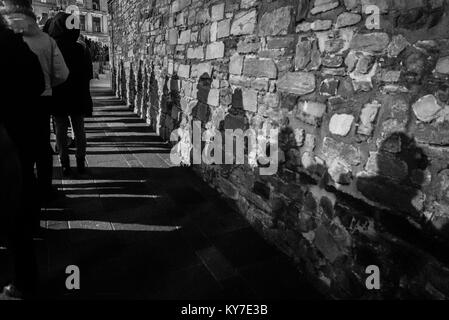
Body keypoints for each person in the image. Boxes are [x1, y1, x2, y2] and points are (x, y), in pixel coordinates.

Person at [2, 0, 69, 200]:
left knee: (14, 148)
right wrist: (47, 84)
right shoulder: (45, 39)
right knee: (41, 146)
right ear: (30, 7)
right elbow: (62, 73)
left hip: (8, 103)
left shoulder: (4, 35)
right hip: (41, 100)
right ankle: (44, 189)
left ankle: (21, 191)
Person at [0, 10, 45, 299]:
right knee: (20, 205)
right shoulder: (18, 46)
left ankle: (22, 283)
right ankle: (23, 280)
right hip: (23, 132)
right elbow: (40, 83)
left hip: (5, 139)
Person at [46, 12, 93, 176]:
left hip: (58, 94)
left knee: (60, 129)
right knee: (79, 128)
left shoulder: (52, 48)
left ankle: (64, 163)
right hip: (77, 94)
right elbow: (88, 73)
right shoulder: (80, 48)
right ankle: (81, 162)